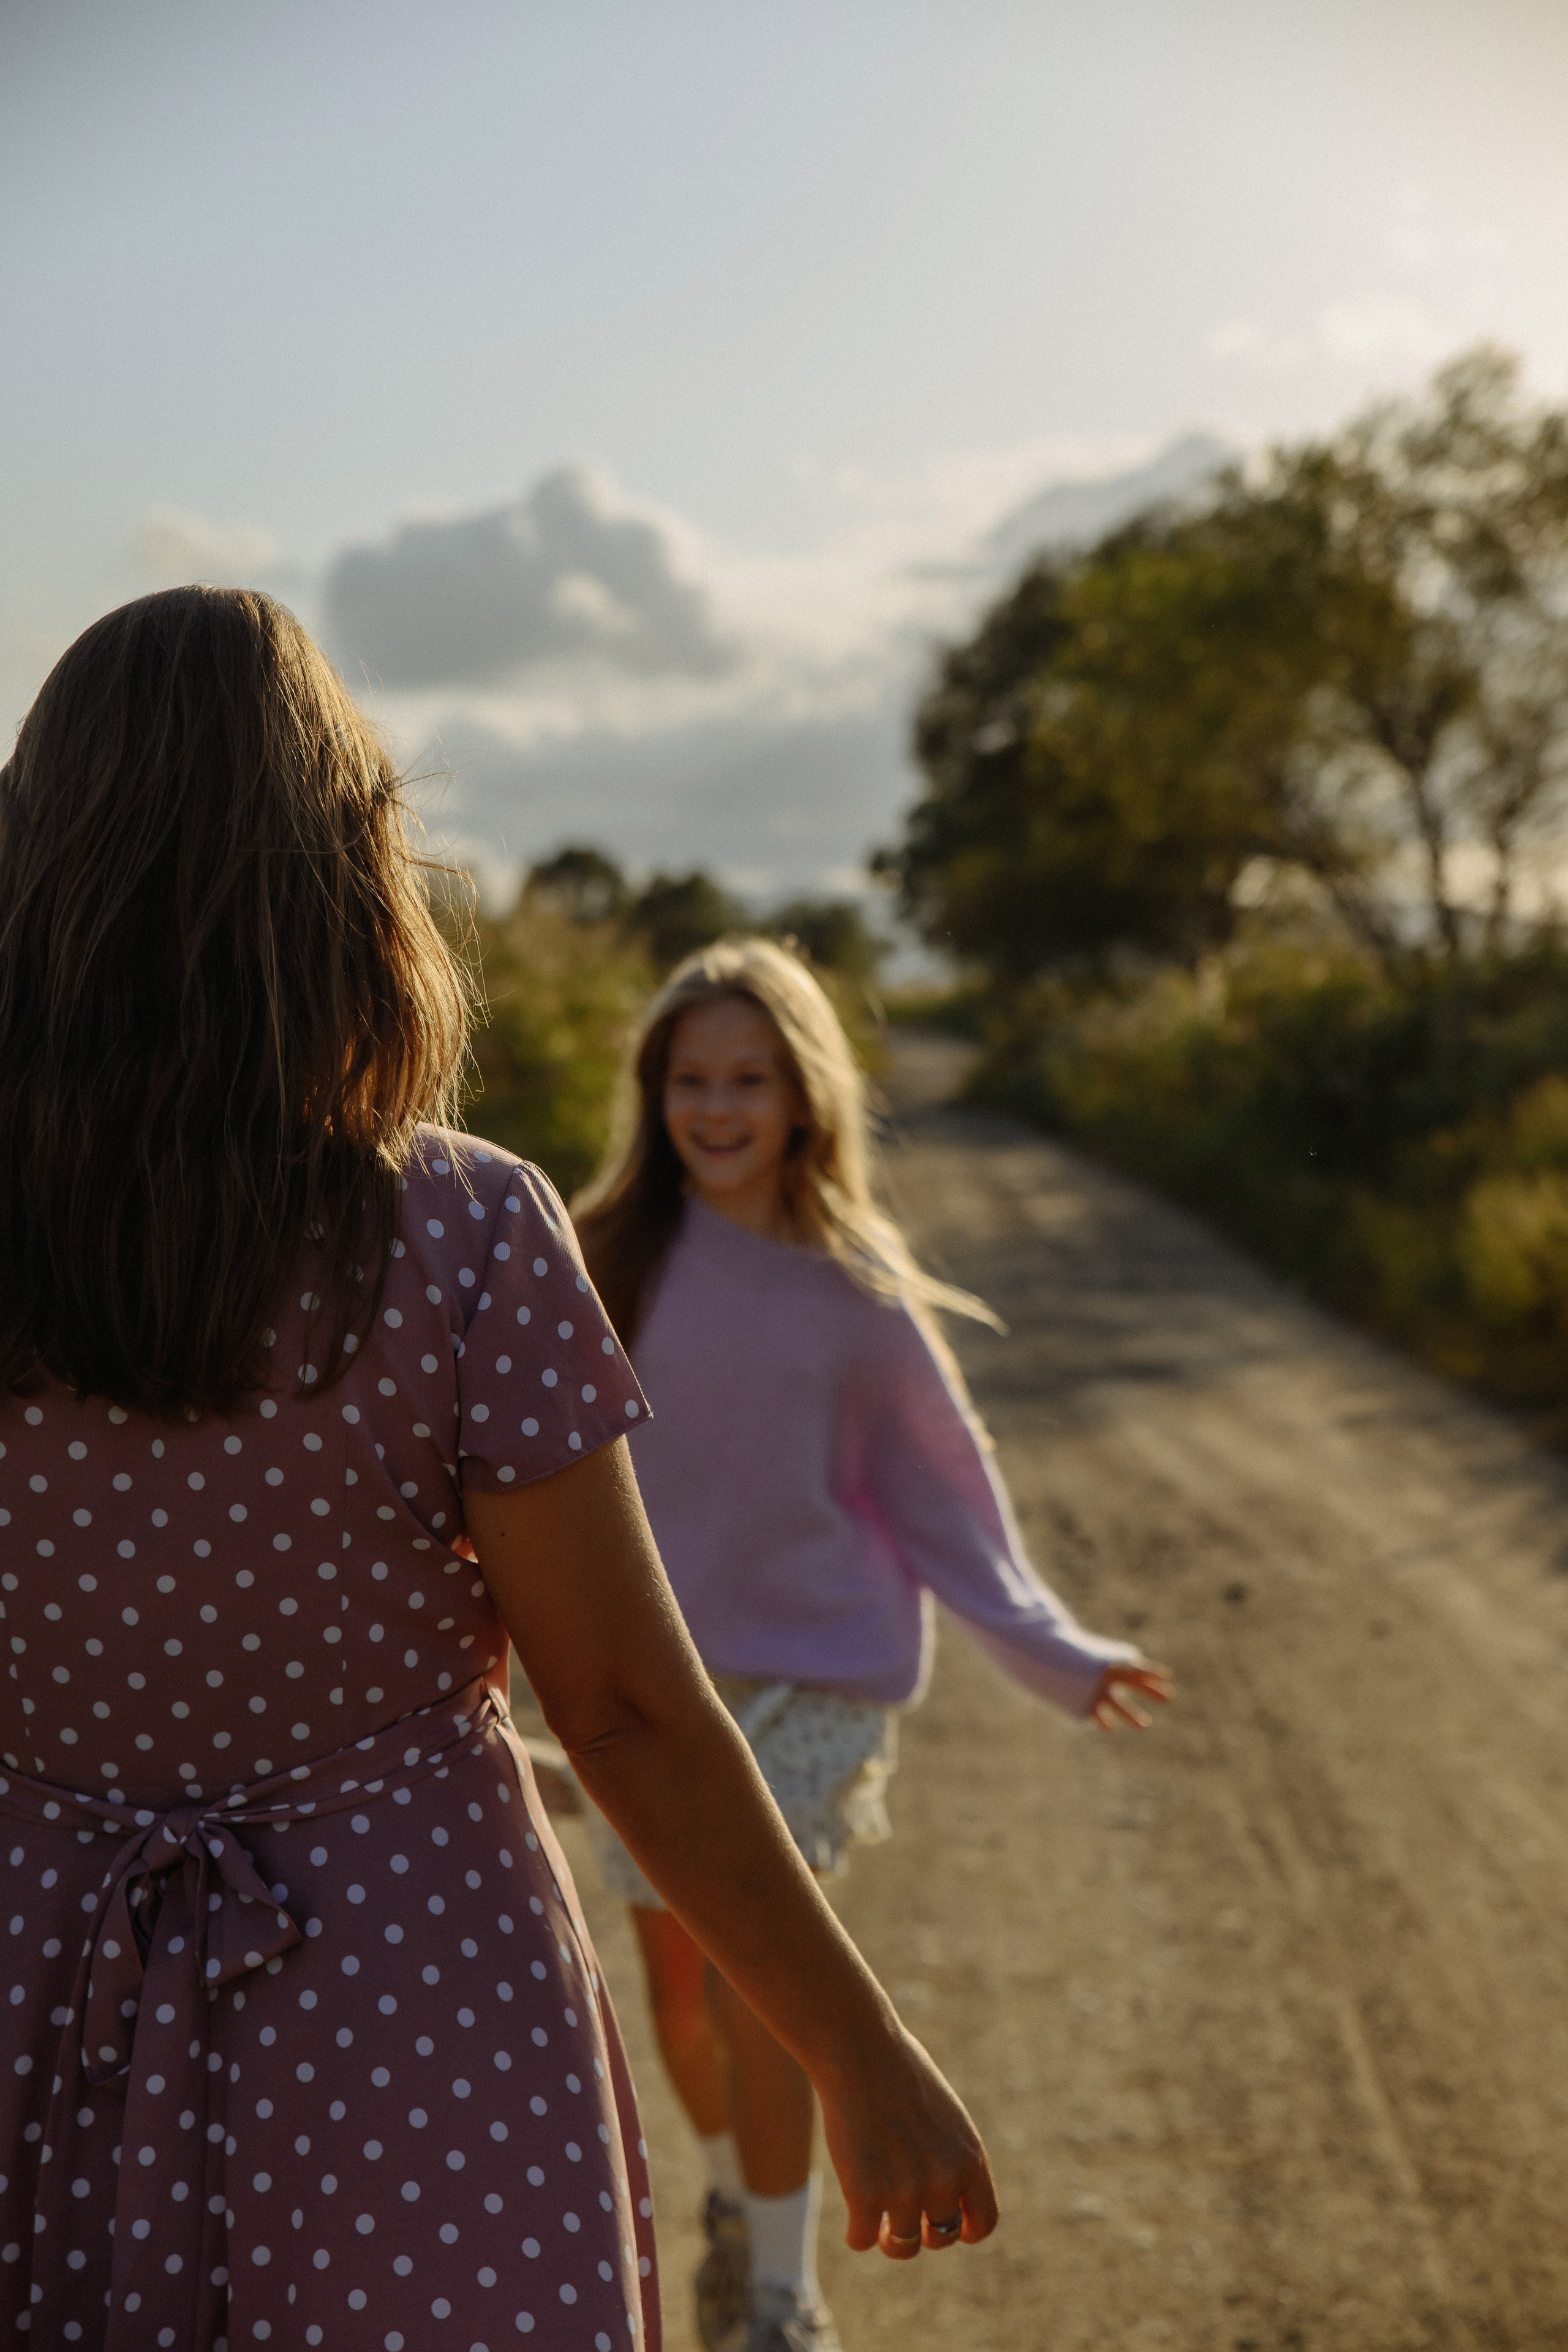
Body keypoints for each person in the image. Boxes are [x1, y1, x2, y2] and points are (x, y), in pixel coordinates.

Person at [0, 589, 998, 2352]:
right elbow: (616, 1708)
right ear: (339, 876)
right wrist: (861, 2050)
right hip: (412, 2011)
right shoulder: (454, 1229)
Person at [573, 939, 1172, 2352]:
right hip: (658, 1683)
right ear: (655, 1095)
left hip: (811, 1682)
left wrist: (1052, 1645)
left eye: (750, 1080)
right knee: (674, 1981)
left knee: (754, 1974)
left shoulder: (855, 1283)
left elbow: (939, 1494)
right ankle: (737, 2201)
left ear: (802, 1097)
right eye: (689, 1080)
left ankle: (777, 2301)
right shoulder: (603, 1255)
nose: (717, 1109)